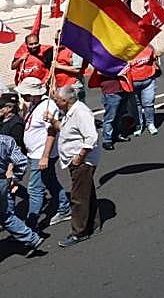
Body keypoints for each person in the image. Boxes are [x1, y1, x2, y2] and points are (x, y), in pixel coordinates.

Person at [47, 83, 100, 246]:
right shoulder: (70, 112)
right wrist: (53, 121)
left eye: (57, 100)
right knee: (87, 191)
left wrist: (80, 156)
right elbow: (65, 129)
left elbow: (91, 137)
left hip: (82, 161)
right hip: (75, 159)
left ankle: (79, 232)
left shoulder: (81, 112)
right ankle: (93, 222)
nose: (55, 102)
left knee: (78, 197)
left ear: (65, 100)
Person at [16, 77, 71, 231]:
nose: (23, 97)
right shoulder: (34, 105)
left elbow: (51, 133)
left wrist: (45, 156)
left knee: (34, 189)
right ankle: (64, 207)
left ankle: (31, 225)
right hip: (34, 152)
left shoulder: (49, 107)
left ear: (34, 94)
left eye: (26, 94)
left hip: (41, 154)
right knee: (50, 180)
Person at [0, 113, 44, 256]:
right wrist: (14, 178)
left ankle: (30, 237)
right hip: (2, 182)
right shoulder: (6, 141)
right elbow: (21, 161)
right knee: (4, 214)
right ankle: (31, 238)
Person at [127, 43, 159, 136]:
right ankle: (139, 125)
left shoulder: (148, 47)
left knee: (148, 103)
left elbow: (154, 58)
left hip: (148, 80)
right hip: (132, 83)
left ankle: (150, 124)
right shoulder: (126, 51)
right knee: (136, 105)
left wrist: (156, 55)